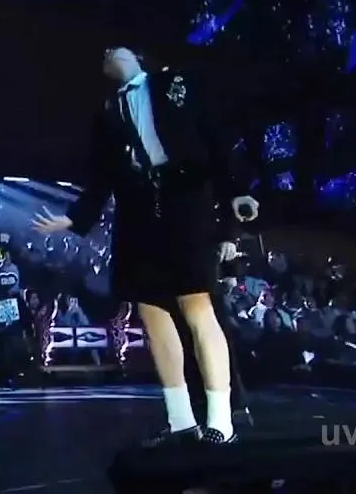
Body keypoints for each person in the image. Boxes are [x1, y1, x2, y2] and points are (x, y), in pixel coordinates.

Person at [30, 47, 259, 446]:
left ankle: (222, 419)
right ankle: (181, 420)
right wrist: (75, 218)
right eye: (103, 55)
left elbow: (214, 135)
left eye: (115, 49)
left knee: (197, 305)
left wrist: (236, 192)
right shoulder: (107, 111)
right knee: (152, 311)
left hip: (184, 196)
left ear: (136, 57)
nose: (107, 52)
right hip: (137, 207)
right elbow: (101, 174)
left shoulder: (175, 83)